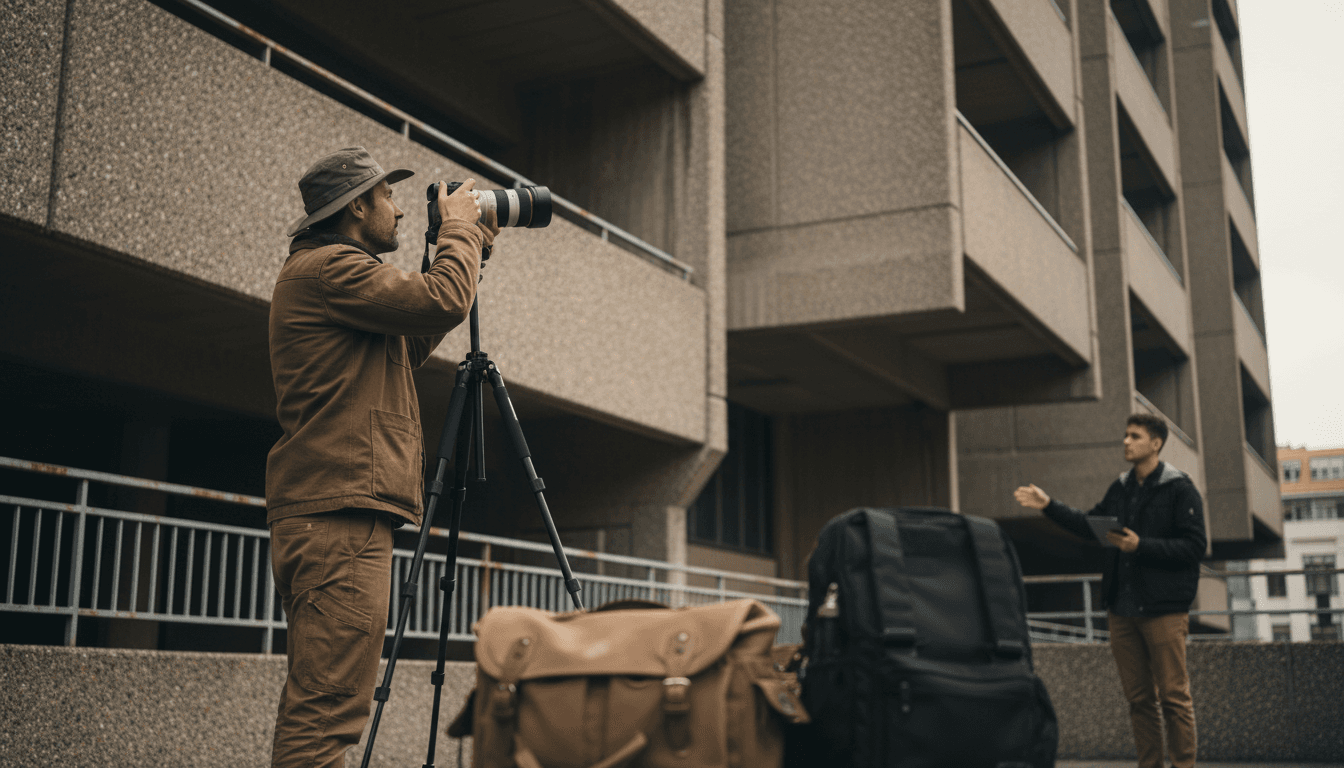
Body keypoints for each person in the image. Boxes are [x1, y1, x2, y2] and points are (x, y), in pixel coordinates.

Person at [265, 146, 498, 768]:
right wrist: (457, 233)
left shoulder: (334, 278)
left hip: (339, 514)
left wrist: (471, 248)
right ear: (358, 206)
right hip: (338, 518)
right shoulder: (331, 268)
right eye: (388, 198)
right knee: (327, 716)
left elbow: (415, 333)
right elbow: (440, 301)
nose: (397, 210)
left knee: (328, 708)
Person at [1014, 413, 1205, 768]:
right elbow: (1091, 527)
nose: (1126, 442)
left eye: (1134, 436)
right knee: (1138, 700)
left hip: (1164, 611)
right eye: (1125, 436)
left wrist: (1141, 546)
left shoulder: (1180, 489)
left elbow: (1195, 548)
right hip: (1122, 611)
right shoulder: (1121, 488)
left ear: (1155, 443)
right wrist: (1048, 506)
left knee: (1174, 698)